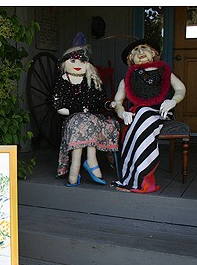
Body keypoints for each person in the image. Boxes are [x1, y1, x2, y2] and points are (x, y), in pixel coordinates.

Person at [112, 38, 186, 193]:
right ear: (130, 59)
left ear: (153, 53)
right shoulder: (126, 80)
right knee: (140, 116)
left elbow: (180, 89)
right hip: (137, 114)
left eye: (144, 48)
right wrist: (121, 112)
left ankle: (139, 180)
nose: (140, 52)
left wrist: (173, 101)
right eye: (135, 51)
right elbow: (118, 101)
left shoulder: (164, 72)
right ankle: (132, 179)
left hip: (160, 111)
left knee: (143, 114)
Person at [53, 33, 120, 186]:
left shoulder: (92, 80)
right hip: (73, 118)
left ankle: (75, 172)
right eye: (73, 60)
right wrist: (72, 111)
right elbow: (58, 105)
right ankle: (88, 164)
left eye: (82, 61)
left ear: (88, 64)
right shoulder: (62, 82)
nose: (78, 64)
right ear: (65, 63)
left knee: (91, 121)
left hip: (92, 117)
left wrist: (108, 105)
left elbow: (100, 100)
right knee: (82, 122)